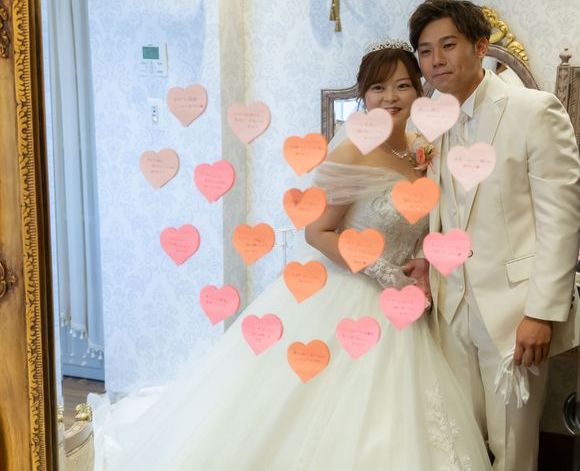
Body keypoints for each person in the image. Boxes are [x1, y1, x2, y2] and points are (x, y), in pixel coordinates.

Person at [96, 42, 492, 471]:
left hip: (409, 307)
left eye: (402, 86)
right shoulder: (352, 152)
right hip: (351, 291)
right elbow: (317, 232)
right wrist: (383, 273)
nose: (391, 97)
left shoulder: (421, 151)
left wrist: (422, 268)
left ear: (419, 91)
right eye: (378, 88)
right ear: (364, 96)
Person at [405, 0, 580, 471]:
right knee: (456, 445)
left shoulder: (534, 110)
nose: (436, 60)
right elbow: (441, 211)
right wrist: (426, 260)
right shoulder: (427, 123)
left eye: (448, 45)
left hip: (514, 314)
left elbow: (561, 219)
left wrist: (542, 312)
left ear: (480, 46)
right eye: (425, 51)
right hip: (448, 309)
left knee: (513, 452)